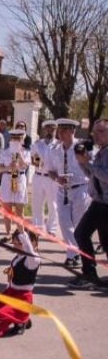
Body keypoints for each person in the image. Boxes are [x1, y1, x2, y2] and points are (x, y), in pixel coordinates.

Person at [46, 118, 90, 271]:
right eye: (59, 131)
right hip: (62, 189)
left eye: (64, 130)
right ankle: (73, 254)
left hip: (81, 188)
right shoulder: (54, 150)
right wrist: (57, 178)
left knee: (78, 223)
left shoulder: (82, 147)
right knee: (64, 223)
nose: (61, 134)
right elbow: (50, 170)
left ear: (73, 131)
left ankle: (74, 254)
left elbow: (92, 167)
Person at [71, 118, 108, 288]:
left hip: (106, 204)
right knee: (81, 233)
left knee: (106, 242)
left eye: (101, 131)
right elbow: (91, 175)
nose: (96, 135)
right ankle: (89, 273)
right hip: (98, 203)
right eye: (94, 132)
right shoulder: (101, 152)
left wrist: (90, 164)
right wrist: (81, 161)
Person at [0, 227, 39, 338]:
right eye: (15, 243)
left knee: (1, 314)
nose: (17, 246)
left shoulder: (33, 260)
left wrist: (22, 232)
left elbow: (28, 249)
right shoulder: (18, 257)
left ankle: (21, 322)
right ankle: (23, 318)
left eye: (20, 243)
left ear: (34, 243)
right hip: (11, 292)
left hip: (22, 297)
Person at [0, 129, 31, 239]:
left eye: (19, 138)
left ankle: (22, 234)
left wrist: (19, 154)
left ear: (22, 139)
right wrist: (8, 167)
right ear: (11, 139)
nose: (16, 140)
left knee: (19, 208)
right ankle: (8, 233)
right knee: (7, 207)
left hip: (19, 177)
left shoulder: (26, 152)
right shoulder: (5, 151)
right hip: (8, 177)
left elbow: (25, 166)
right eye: (14, 138)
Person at [30, 120, 60, 237]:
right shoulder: (37, 144)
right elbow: (34, 159)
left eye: (52, 129)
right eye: (48, 129)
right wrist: (39, 164)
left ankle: (52, 228)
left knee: (53, 204)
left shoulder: (59, 145)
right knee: (37, 203)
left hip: (52, 178)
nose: (50, 131)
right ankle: (38, 227)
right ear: (44, 129)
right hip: (39, 176)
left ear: (55, 130)